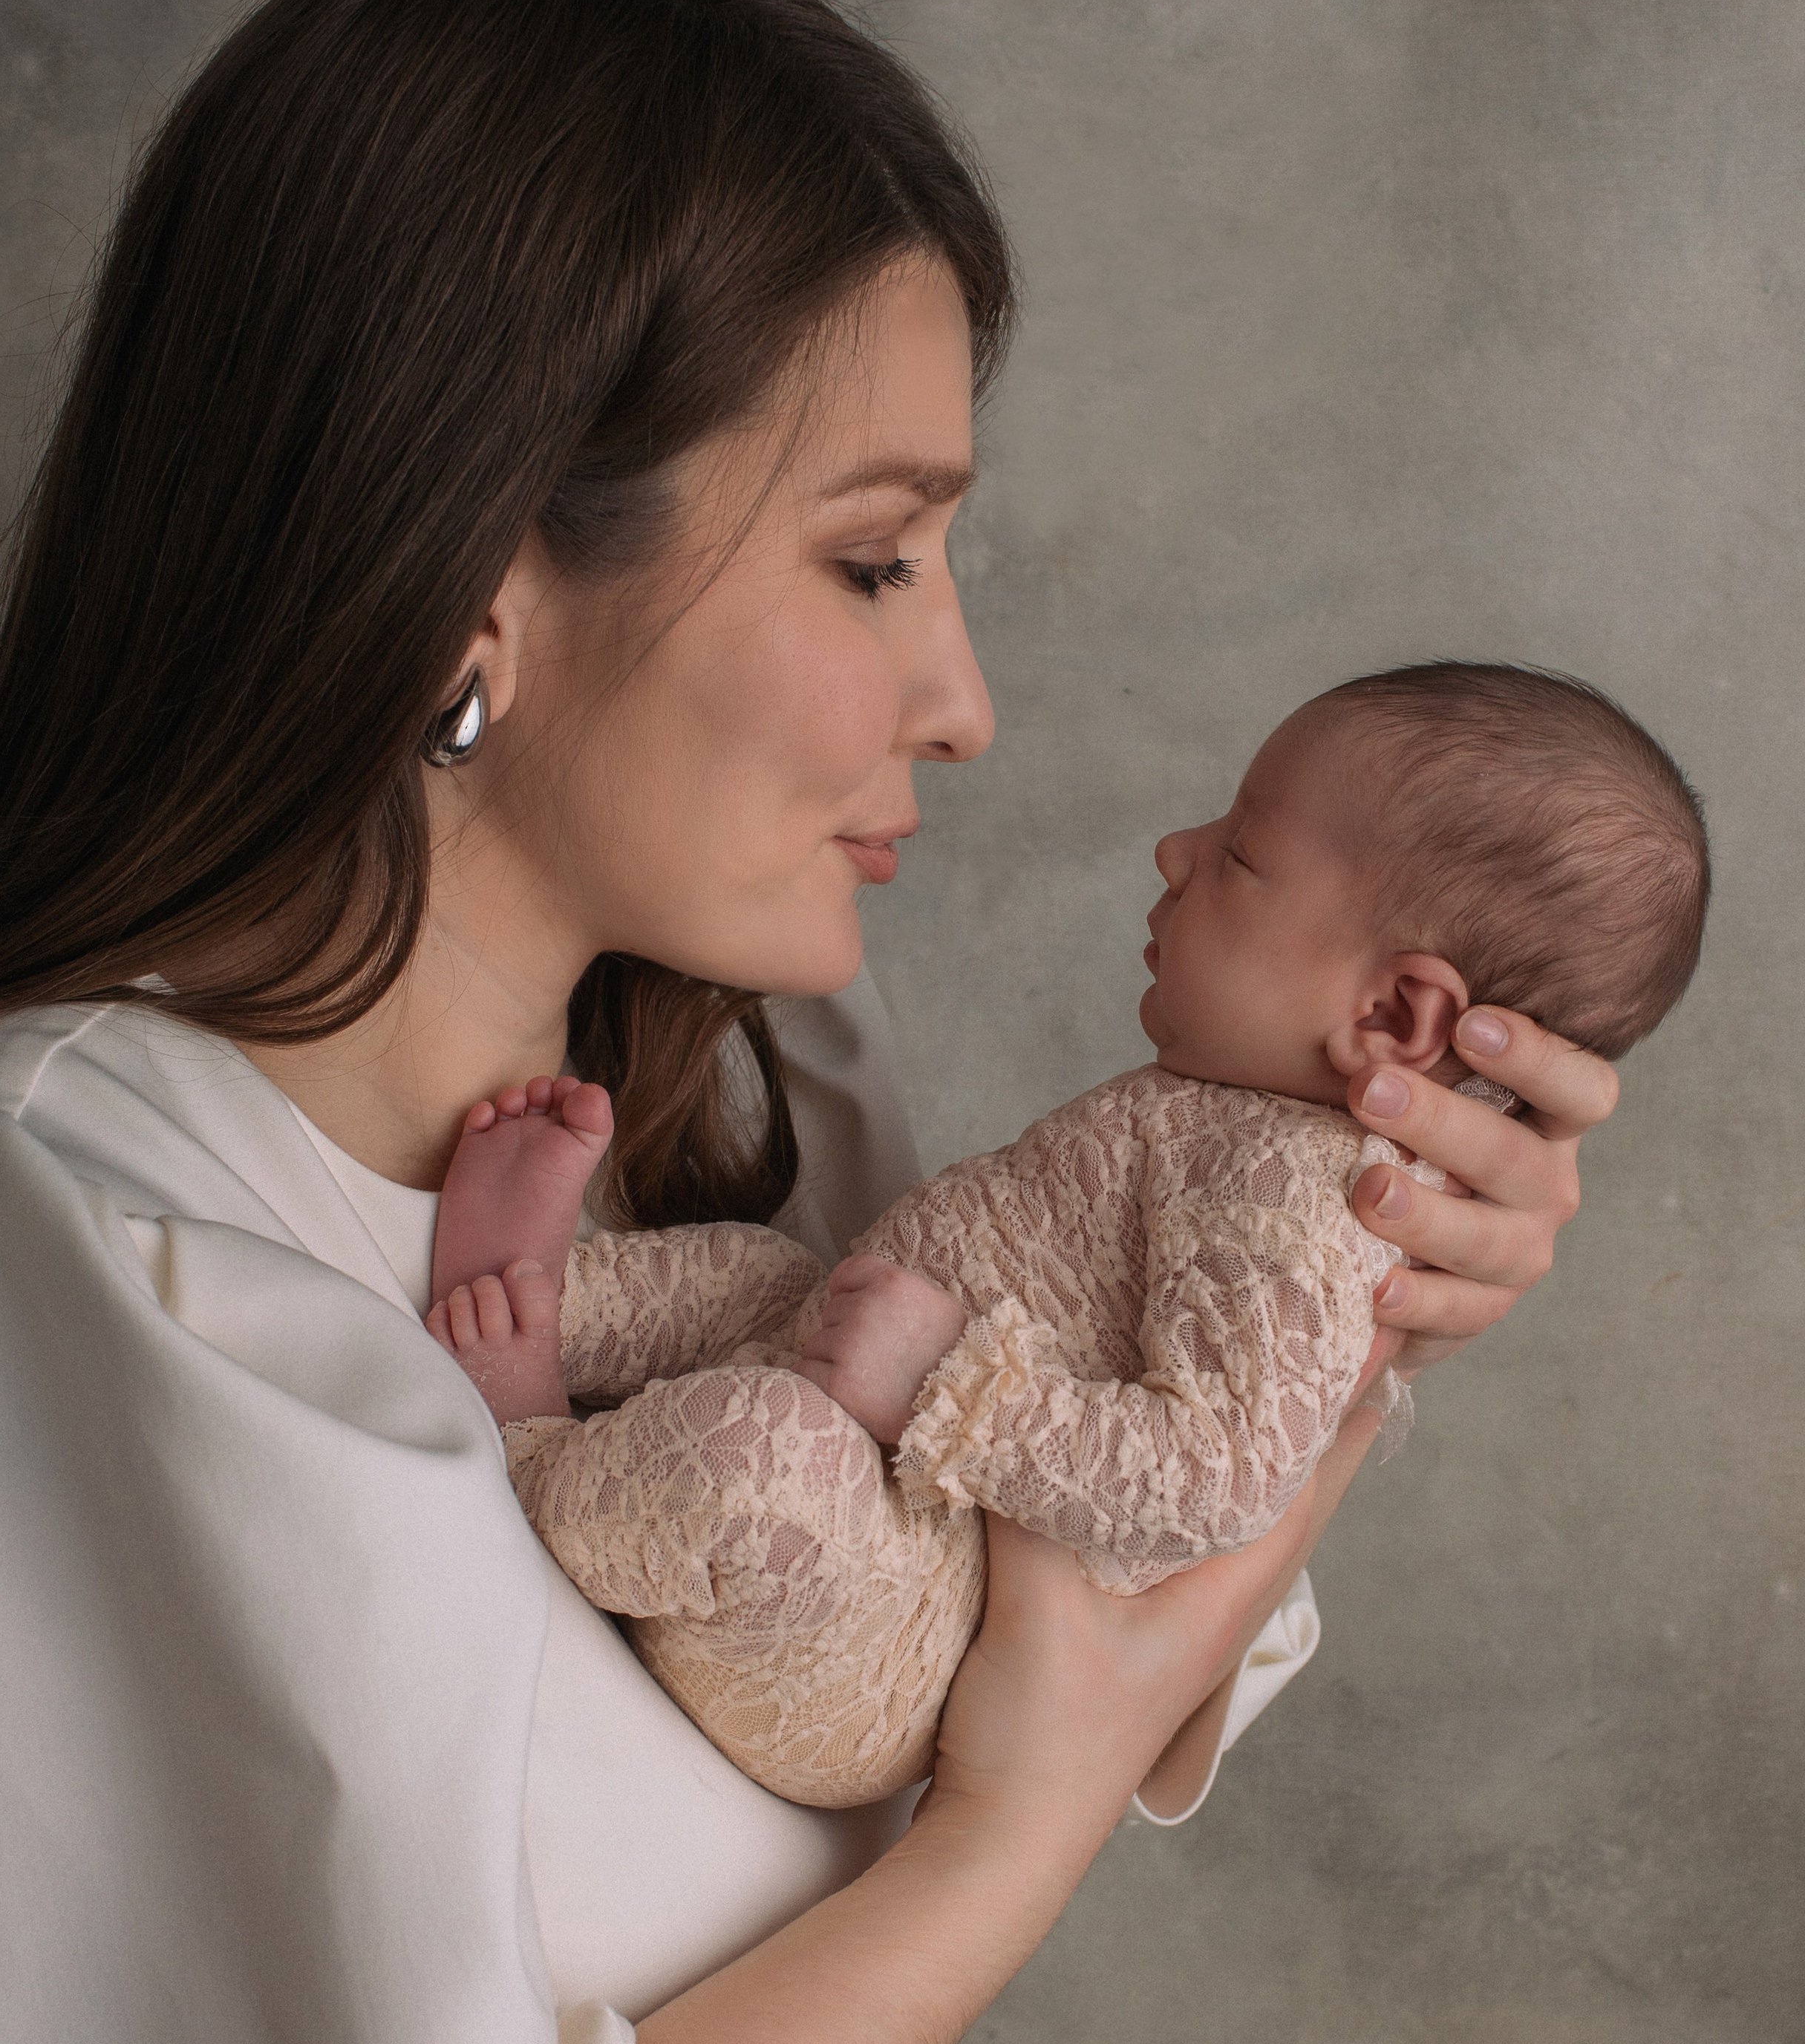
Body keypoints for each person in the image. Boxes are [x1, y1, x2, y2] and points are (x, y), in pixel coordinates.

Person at [0, 0, 1614, 2044]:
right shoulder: (46, 1255)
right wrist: (1002, 1855)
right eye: (870, 555)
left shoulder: (780, 1126)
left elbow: (1059, 1638)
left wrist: (1345, 1298)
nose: (968, 696)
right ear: (471, 579)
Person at [420, 662, 1708, 1810]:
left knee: (768, 1456)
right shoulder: (1237, 1119)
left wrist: (945, 1385)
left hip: (896, 1613)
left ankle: (527, 1443)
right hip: (877, 1442)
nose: (1174, 849)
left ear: (1399, 1016)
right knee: (766, 1278)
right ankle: (544, 1296)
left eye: (1244, 855)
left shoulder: (1313, 1203)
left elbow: (1214, 1476)